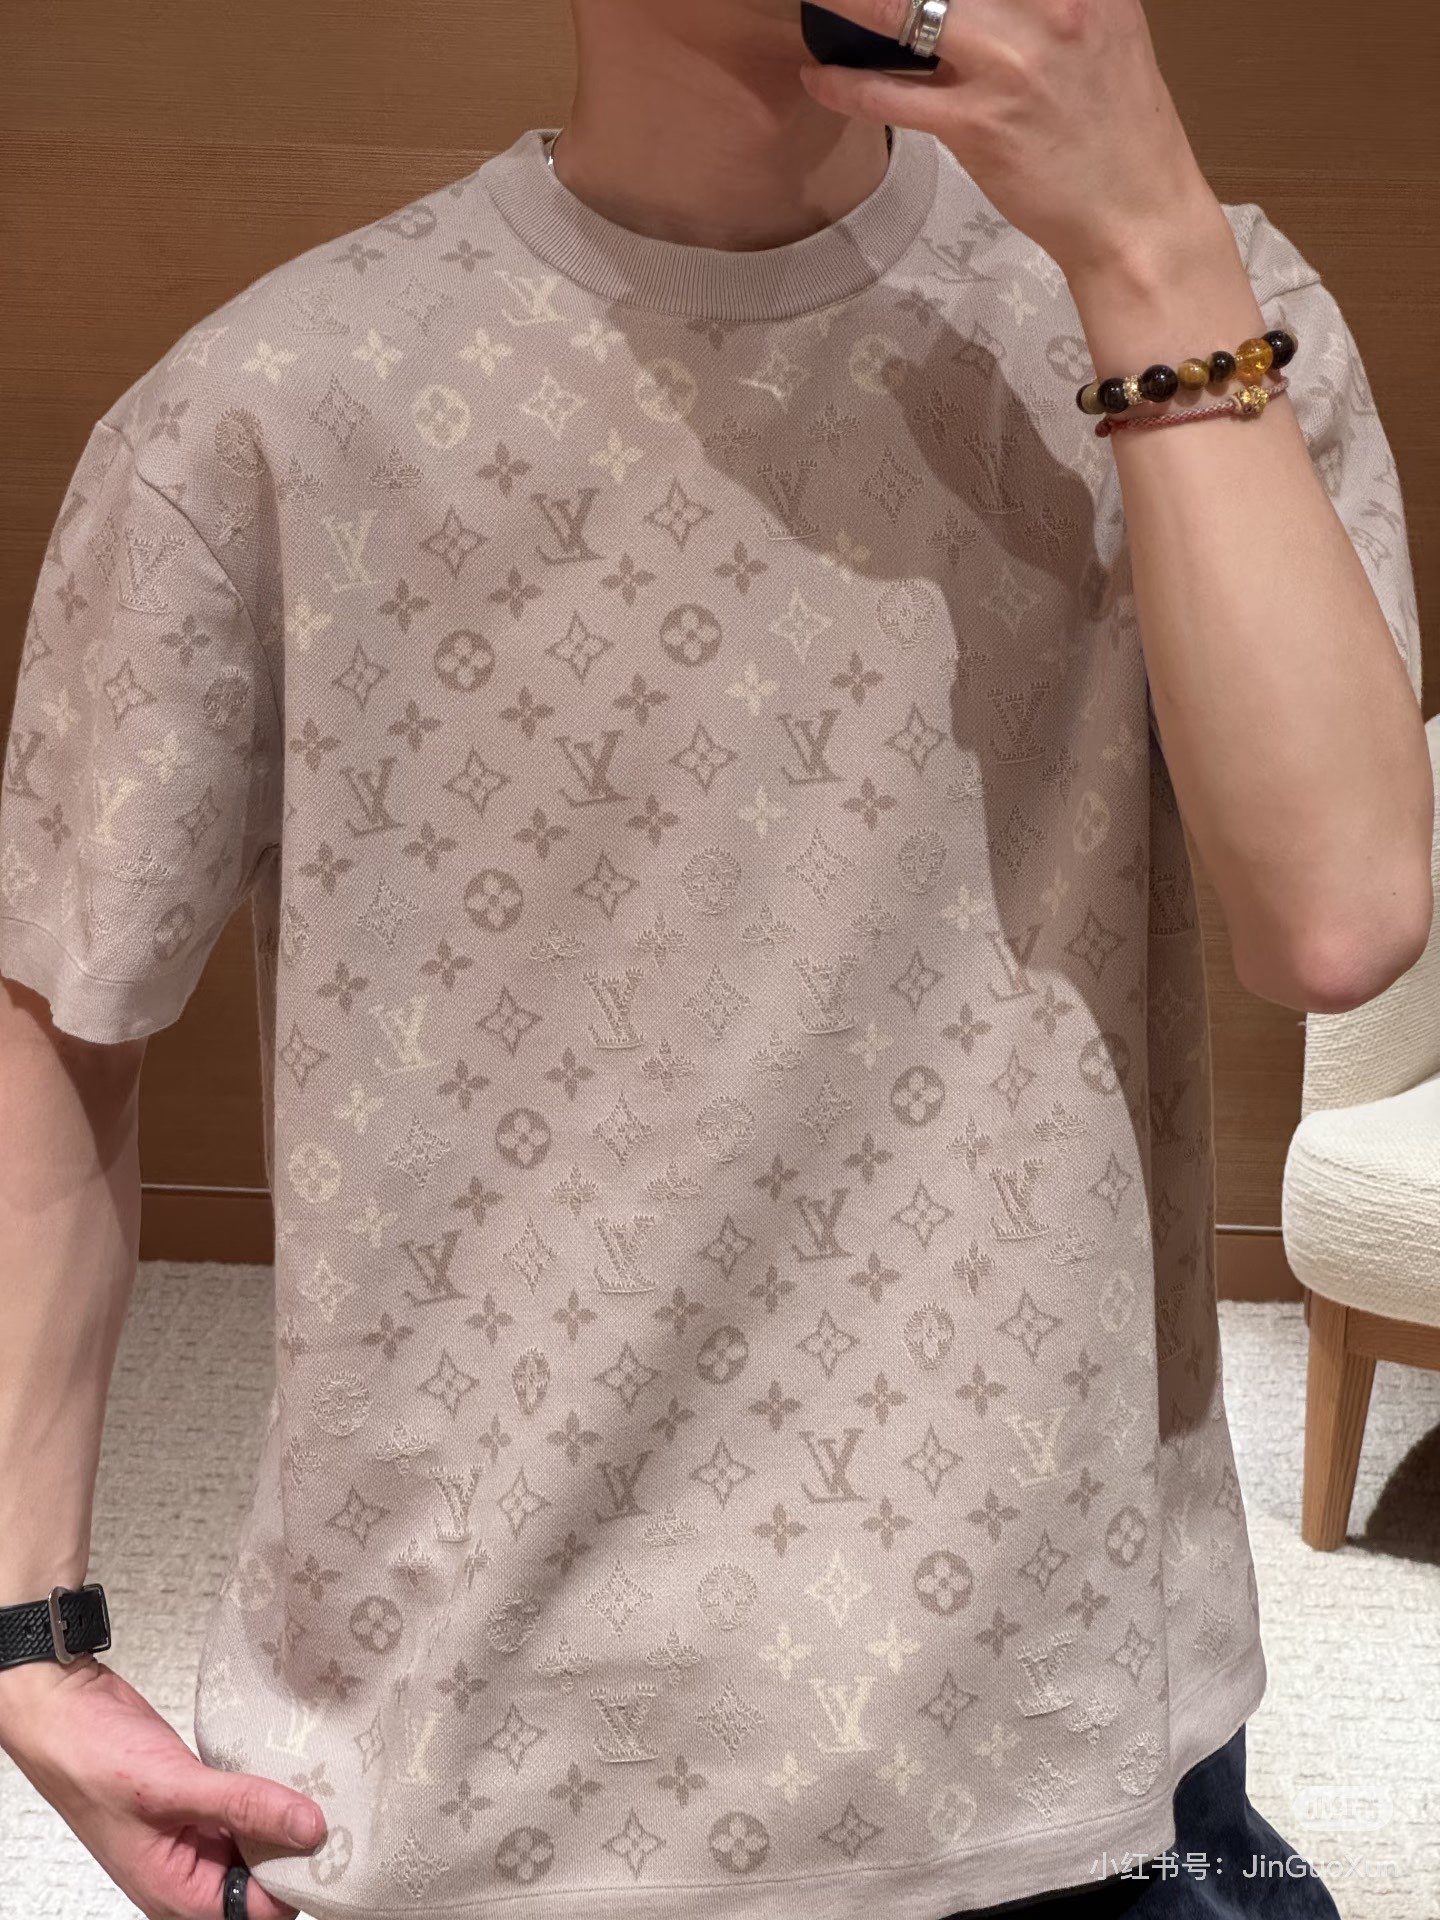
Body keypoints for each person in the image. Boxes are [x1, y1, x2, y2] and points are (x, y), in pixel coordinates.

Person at [0, 0, 1429, 1915]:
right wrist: (25, 1633)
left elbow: (1340, 914)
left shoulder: (1196, 317)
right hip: (466, 1788)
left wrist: (1151, 239)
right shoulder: (268, 407)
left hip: (1068, 1761)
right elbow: (64, 998)